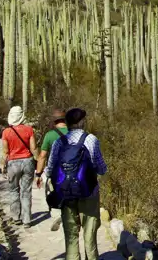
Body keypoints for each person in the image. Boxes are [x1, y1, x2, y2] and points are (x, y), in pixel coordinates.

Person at [46, 107, 107, 260]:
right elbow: (101, 169)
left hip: (66, 194)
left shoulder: (59, 143)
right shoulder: (91, 139)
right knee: (90, 234)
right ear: (82, 122)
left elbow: (50, 169)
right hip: (89, 192)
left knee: (71, 235)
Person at [0, 106, 38, 228]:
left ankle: (16, 217)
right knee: (26, 191)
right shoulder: (29, 130)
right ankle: (27, 220)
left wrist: (2, 165)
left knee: (13, 190)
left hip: (13, 163)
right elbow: (33, 148)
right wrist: (38, 161)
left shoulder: (6, 132)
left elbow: (5, 151)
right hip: (27, 161)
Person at [36, 108, 69, 231]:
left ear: (54, 121)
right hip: (75, 168)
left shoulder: (49, 135)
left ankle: (63, 214)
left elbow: (42, 156)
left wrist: (38, 174)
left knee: (58, 191)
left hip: (57, 171)